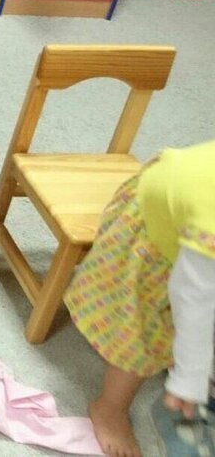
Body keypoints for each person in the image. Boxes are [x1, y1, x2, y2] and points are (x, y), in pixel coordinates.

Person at [65, 141, 215, 457]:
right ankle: (109, 409)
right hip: (150, 243)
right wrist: (190, 375)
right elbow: (193, 299)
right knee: (145, 332)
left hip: (176, 206)